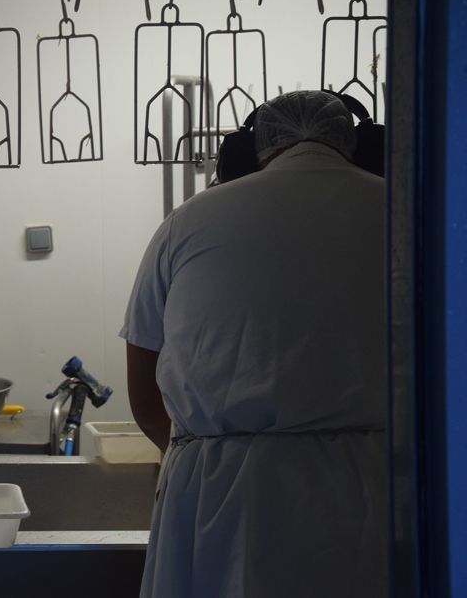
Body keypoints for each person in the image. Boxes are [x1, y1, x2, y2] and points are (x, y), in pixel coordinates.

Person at [121, 90, 386, 597]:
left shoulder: (188, 221)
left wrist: (201, 456)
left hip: (225, 497)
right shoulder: (403, 212)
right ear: (361, 146)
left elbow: (144, 388)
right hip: (375, 486)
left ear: (246, 152)